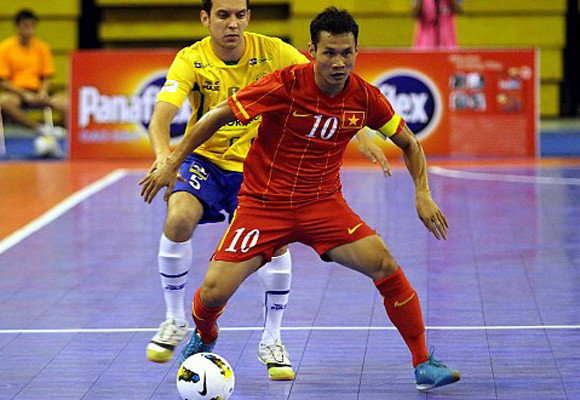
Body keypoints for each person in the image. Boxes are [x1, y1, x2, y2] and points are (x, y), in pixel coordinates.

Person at [140, 6, 460, 392]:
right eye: (330, 53)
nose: (339, 63)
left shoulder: (366, 97)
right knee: (211, 294)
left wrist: (422, 192)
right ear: (312, 51)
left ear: (356, 51)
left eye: (347, 53)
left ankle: (423, 362)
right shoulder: (284, 84)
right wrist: (173, 160)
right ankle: (205, 334)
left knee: (385, 264)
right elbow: (218, 115)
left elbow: (409, 143)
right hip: (264, 204)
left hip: (323, 205)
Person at [0, 9, 67, 139]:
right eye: (25, 26)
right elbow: (3, 81)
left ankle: (64, 135)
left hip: (39, 92)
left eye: (32, 26)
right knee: (4, 102)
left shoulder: (42, 48)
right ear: (17, 27)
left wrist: (43, 92)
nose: (29, 30)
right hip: (16, 93)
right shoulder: (5, 48)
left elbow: (47, 76)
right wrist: (24, 94)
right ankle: (40, 129)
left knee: (67, 103)